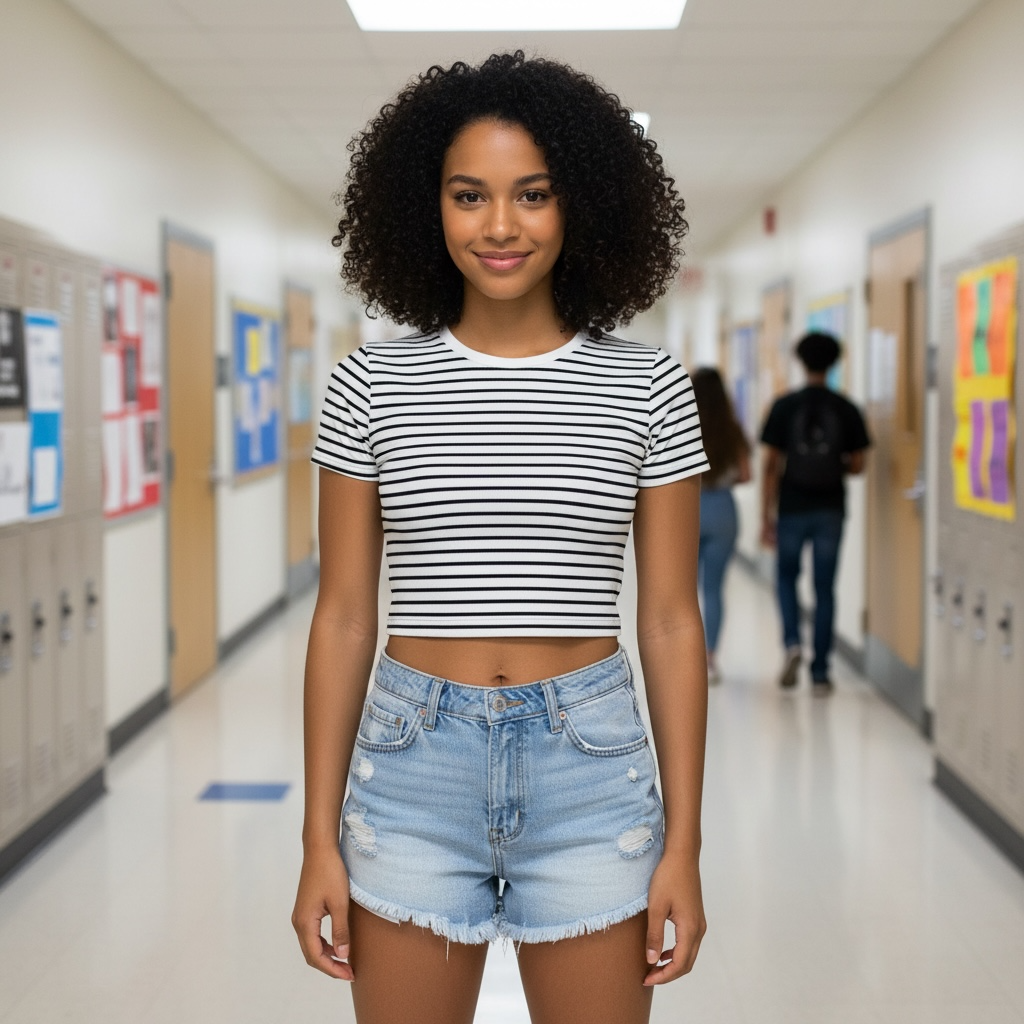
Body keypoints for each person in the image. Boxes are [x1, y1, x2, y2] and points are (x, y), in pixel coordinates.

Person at [291, 52, 710, 1024]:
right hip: (411, 766)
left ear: (581, 204)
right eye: (468, 195)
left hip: (590, 767)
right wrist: (317, 839)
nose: (500, 226)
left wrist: (684, 845)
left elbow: (671, 620)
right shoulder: (369, 385)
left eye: (534, 194)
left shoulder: (648, 386)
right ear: (426, 207)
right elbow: (343, 615)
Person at [759, 331, 871, 693]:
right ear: (834, 362)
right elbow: (858, 465)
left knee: (786, 579)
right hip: (830, 509)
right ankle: (821, 672)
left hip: (791, 507)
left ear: (801, 361)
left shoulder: (784, 405)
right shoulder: (846, 408)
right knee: (825, 588)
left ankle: (793, 643)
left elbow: (771, 465)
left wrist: (765, 515)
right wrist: (834, 465)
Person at [689, 368, 751, 683]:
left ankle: (687, 659)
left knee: (684, 592)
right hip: (724, 511)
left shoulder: (685, 425)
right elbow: (746, 475)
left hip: (689, 509)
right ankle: (710, 659)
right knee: (713, 589)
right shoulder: (732, 429)